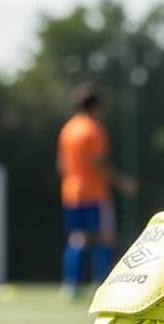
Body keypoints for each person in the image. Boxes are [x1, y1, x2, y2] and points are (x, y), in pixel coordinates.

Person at [57, 85, 138, 296]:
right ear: (95, 107)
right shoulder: (93, 129)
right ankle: (102, 284)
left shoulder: (68, 129)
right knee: (105, 237)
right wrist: (121, 182)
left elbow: (61, 165)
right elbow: (97, 162)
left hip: (70, 192)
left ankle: (70, 286)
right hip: (93, 193)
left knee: (77, 238)